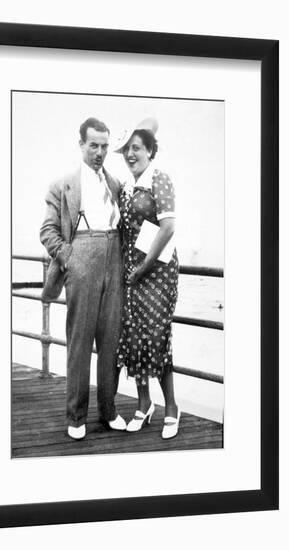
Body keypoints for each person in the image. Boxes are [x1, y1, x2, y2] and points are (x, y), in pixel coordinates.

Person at [40, 117, 126, 440]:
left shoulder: (115, 184)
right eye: (94, 145)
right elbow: (47, 231)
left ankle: (108, 410)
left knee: (110, 341)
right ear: (81, 145)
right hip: (82, 258)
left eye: (105, 146)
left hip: (113, 258)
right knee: (79, 341)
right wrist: (69, 257)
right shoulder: (62, 186)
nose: (100, 152)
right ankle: (76, 416)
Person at [114, 117, 180, 439]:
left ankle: (171, 407)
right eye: (126, 149)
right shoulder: (126, 187)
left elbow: (168, 228)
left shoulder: (160, 179)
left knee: (157, 335)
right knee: (133, 335)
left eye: (136, 148)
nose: (130, 154)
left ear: (150, 150)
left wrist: (144, 267)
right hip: (132, 272)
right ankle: (143, 404)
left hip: (158, 272)